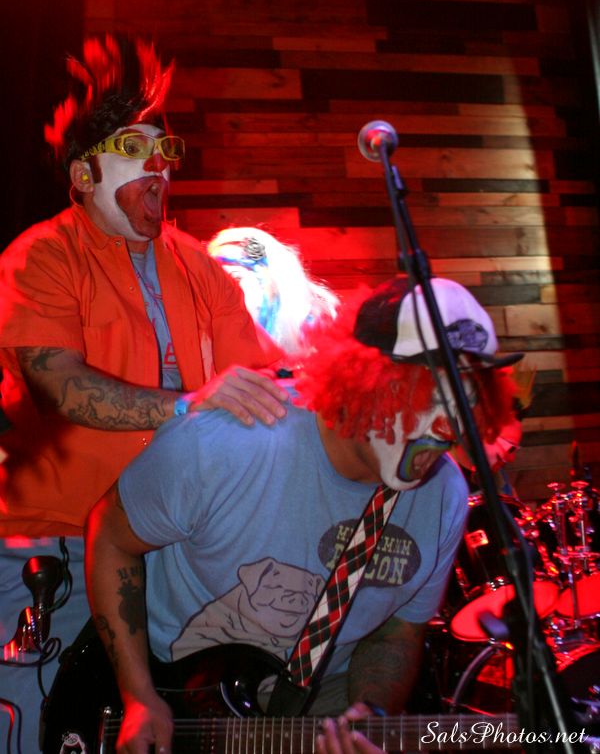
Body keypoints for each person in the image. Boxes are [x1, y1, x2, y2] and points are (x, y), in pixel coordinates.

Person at [84, 275, 519, 753]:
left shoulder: (443, 496)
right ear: (360, 382)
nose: (446, 428)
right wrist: (138, 695)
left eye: (466, 403)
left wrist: (370, 712)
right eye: (425, 395)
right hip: (171, 699)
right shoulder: (227, 444)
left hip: (312, 711)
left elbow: (397, 629)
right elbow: (111, 537)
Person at [0, 34, 286, 753]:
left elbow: (265, 380)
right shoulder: (41, 256)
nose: (160, 166)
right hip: (51, 551)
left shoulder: (197, 263)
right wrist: (189, 406)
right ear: (84, 175)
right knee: (39, 733)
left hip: (159, 551)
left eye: (167, 151)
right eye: (136, 148)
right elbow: (61, 387)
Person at [207, 225, 339, 369]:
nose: (222, 296)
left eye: (235, 280)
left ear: (273, 283)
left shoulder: (322, 340)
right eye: (211, 288)